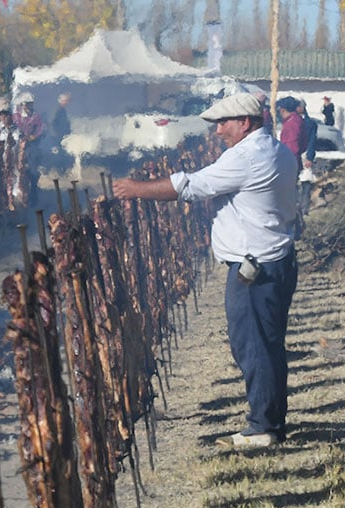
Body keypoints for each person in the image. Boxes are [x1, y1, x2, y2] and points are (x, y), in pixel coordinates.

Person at [111, 92, 299, 449]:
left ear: (245, 122)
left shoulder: (247, 157)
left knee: (255, 345)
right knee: (267, 344)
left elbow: (190, 186)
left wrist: (134, 189)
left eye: (223, 124)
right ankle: (270, 422)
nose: (218, 132)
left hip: (254, 267)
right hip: (276, 259)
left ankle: (263, 429)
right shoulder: (278, 151)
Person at [296, 99, 319, 214]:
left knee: (306, 181)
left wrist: (309, 157)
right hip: (294, 154)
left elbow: (312, 141)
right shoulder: (291, 122)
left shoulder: (309, 123)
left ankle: (304, 208)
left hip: (304, 154)